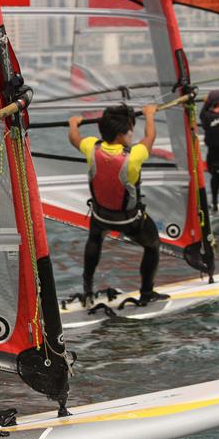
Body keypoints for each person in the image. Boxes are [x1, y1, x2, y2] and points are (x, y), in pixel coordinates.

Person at [68, 104, 169, 307]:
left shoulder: (91, 146)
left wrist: (73, 124)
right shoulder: (135, 155)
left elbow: (74, 139)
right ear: (122, 134)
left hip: (101, 216)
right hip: (130, 221)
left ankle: (87, 290)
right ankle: (147, 292)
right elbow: (150, 138)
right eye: (130, 131)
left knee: (95, 238)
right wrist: (149, 115)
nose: (132, 135)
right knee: (152, 246)